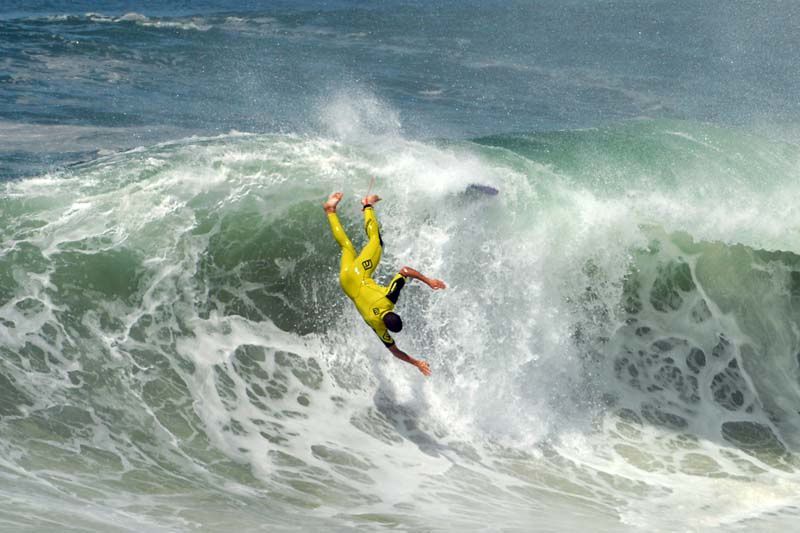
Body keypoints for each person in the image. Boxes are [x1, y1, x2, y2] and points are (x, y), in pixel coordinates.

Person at [323, 191, 446, 376]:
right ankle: (330, 210)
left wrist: (429, 281)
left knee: (376, 241)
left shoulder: (389, 299)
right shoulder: (378, 327)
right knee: (346, 246)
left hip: (359, 274)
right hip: (346, 283)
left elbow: (405, 270)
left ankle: (367, 205)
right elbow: (395, 351)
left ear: (394, 312)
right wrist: (416, 363)